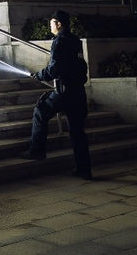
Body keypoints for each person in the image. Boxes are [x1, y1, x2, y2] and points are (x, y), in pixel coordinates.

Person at [20, 10, 92, 179]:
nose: (50, 25)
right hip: (78, 92)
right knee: (77, 132)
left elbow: (54, 69)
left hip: (64, 91)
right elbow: (80, 64)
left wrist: (39, 75)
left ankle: (37, 150)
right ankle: (84, 169)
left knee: (40, 111)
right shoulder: (75, 41)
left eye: (52, 22)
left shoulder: (59, 42)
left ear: (58, 24)